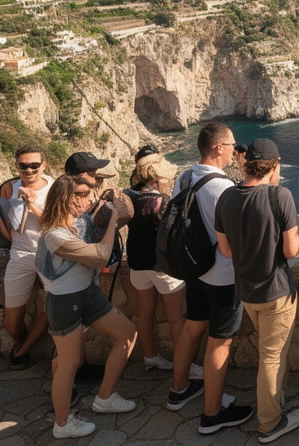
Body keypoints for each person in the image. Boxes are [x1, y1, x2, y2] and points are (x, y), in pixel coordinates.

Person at [214, 138, 299, 443]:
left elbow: (226, 249)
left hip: (246, 292)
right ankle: (269, 423)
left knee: (269, 355)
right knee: (272, 358)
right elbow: (292, 250)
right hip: (276, 290)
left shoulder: (227, 197)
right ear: (275, 164)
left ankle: (274, 403)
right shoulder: (279, 196)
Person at [167, 122, 254, 435]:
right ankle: (212, 414)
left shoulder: (184, 177)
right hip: (221, 275)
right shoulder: (223, 189)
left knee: (193, 326)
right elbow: (237, 236)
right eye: (231, 144)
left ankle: (179, 390)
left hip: (194, 269)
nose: (234, 149)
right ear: (219, 148)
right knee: (220, 340)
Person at [35, 175, 138, 438]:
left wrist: (112, 202)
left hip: (87, 295)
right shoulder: (55, 236)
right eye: (80, 195)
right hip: (64, 301)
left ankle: (105, 398)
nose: (87, 199)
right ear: (64, 199)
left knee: (127, 334)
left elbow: (118, 215)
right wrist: (113, 217)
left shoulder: (80, 222)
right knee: (70, 362)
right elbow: (99, 256)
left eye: (88, 193)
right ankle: (62, 423)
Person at [123, 149, 193, 374]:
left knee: (145, 313)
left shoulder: (127, 196)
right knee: (176, 318)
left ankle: (150, 356)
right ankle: (186, 366)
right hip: (162, 266)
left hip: (137, 263)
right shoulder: (162, 201)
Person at [0, 145, 53, 368]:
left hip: (48, 253)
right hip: (20, 254)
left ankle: (22, 351)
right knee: (12, 319)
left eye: (34, 165)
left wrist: (30, 203)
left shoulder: (54, 188)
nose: (29, 170)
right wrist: (9, 236)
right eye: (23, 166)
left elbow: (57, 222)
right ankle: (21, 344)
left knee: (50, 308)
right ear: (17, 165)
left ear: (43, 165)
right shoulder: (9, 187)